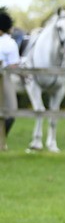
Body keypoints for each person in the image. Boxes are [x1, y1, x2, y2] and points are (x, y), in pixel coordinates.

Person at [0, 9, 20, 137]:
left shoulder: (8, 42)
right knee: (11, 111)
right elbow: (14, 65)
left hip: (4, 77)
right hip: (5, 78)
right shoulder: (11, 43)